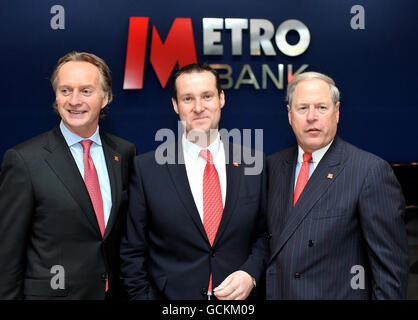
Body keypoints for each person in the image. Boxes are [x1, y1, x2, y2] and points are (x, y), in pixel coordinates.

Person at [120, 63, 268, 300]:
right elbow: (133, 252)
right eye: (188, 99)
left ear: (221, 99)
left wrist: (250, 273)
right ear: (175, 106)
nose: (199, 107)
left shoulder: (255, 163)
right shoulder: (147, 169)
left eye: (207, 96)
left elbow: (265, 235)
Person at [0, 51, 136, 299]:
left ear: (105, 98)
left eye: (86, 91)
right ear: (56, 96)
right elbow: (6, 256)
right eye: (65, 90)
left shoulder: (124, 153)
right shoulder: (24, 161)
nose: (74, 100)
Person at [266, 71, 408, 299]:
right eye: (303, 108)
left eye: (321, 107)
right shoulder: (272, 167)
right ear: (290, 115)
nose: (312, 117)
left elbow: (390, 273)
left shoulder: (369, 172)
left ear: (337, 112)